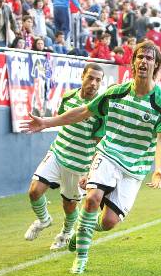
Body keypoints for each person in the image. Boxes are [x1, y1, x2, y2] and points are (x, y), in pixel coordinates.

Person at [20, 40, 161, 274]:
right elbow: (84, 111)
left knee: (108, 222)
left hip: (135, 166)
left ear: (156, 65)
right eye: (140, 57)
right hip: (109, 153)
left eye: (149, 58)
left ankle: (80, 233)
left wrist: (158, 168)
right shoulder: (116, 92)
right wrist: (46, 122)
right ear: (133, 62)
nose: (144, 61)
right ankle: (80, 261)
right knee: (92, 198)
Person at [23, 63, 105, 252]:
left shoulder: (100, 109)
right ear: (82, 76)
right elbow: (63, 119)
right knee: (34, 191)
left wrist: (91, 172)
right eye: (90, 78)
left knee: (69, 206)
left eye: (98, 80)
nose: (94, 83)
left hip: (79, 165)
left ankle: (66, 233)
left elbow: (99, 143)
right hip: (58, 153)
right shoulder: (68, 96)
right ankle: (44, 220)